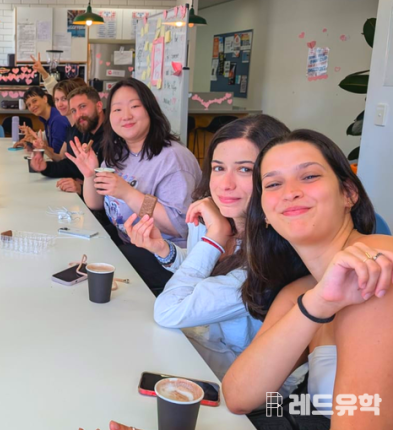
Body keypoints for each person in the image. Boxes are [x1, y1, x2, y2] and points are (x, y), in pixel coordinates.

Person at [123, 116, 307, 395]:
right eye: (219, 168)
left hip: (250, 375)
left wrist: (215, 237)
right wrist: (163, 250)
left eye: (245, 169)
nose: (225, 184)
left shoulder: (270, 254)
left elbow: (170, 309)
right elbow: (203, 274)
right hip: (210, 336)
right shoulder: (216, 215)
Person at [222, 130, 393, 427]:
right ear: (265, 214)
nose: (290, 192)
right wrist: (317, 304)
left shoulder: (375, 265)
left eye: (309, 176)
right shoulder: (305, 290)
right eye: (273, 184)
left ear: (349, 193)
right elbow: (239, 396)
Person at [66, 78, 201, 295]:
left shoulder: (173, 159)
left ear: (150, 109)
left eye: (135, 106)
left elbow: (179, 225)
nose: (126, 115)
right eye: (117, 109)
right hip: (130, 245)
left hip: (166, 258)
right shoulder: (118, 153)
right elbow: (96, 203)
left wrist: (128, 193)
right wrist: (89, 174)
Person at [30, 86, 106, 196]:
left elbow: (113, 190)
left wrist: (81, 188)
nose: (78, 115)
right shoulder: (85, 129)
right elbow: (72, 165)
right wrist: (45, 167)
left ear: (98, 106)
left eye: (83, 106)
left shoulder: (114, 136)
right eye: (73, 111)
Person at [20, 86, 69, 154]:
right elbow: (50, 145)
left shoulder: (57, 120)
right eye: (29, 105)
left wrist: (35, 141)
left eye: (34, 101)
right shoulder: (46, 118)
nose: (32, 106)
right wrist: (31, 141)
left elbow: (57, 153)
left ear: (45, 99)